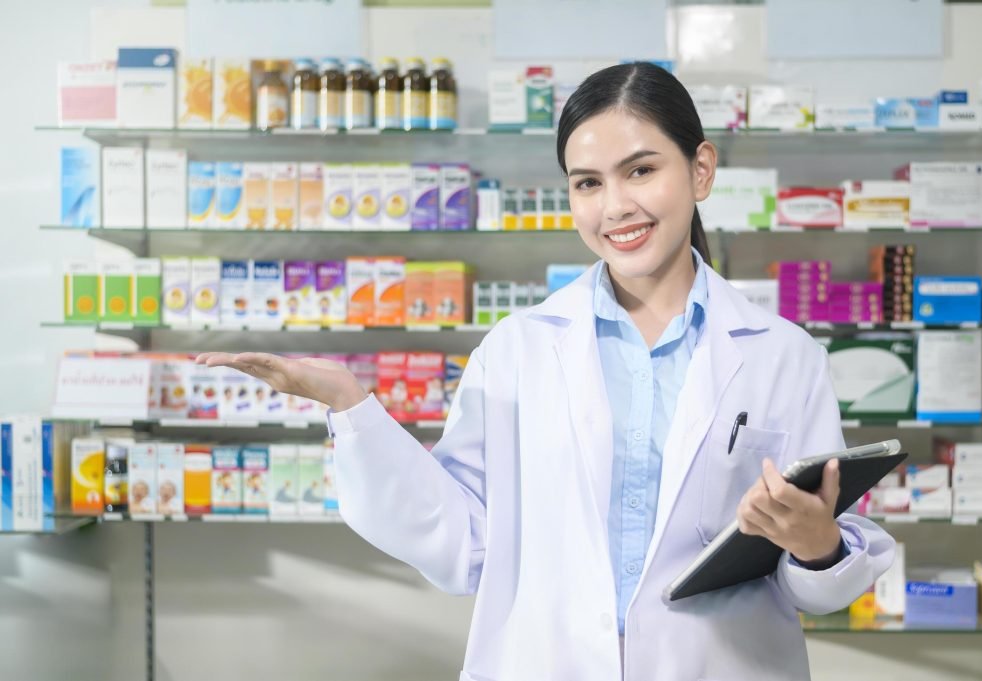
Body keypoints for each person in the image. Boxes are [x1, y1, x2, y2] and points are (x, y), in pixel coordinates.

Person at [196, 62, 895, 681]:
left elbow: (823, 581)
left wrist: (814, 544)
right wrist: (351, 404)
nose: (615, 206)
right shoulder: (517, 351)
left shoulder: (782, 353)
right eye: (588, 182)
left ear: (701, 170)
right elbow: (466, 541)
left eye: (642, 170)